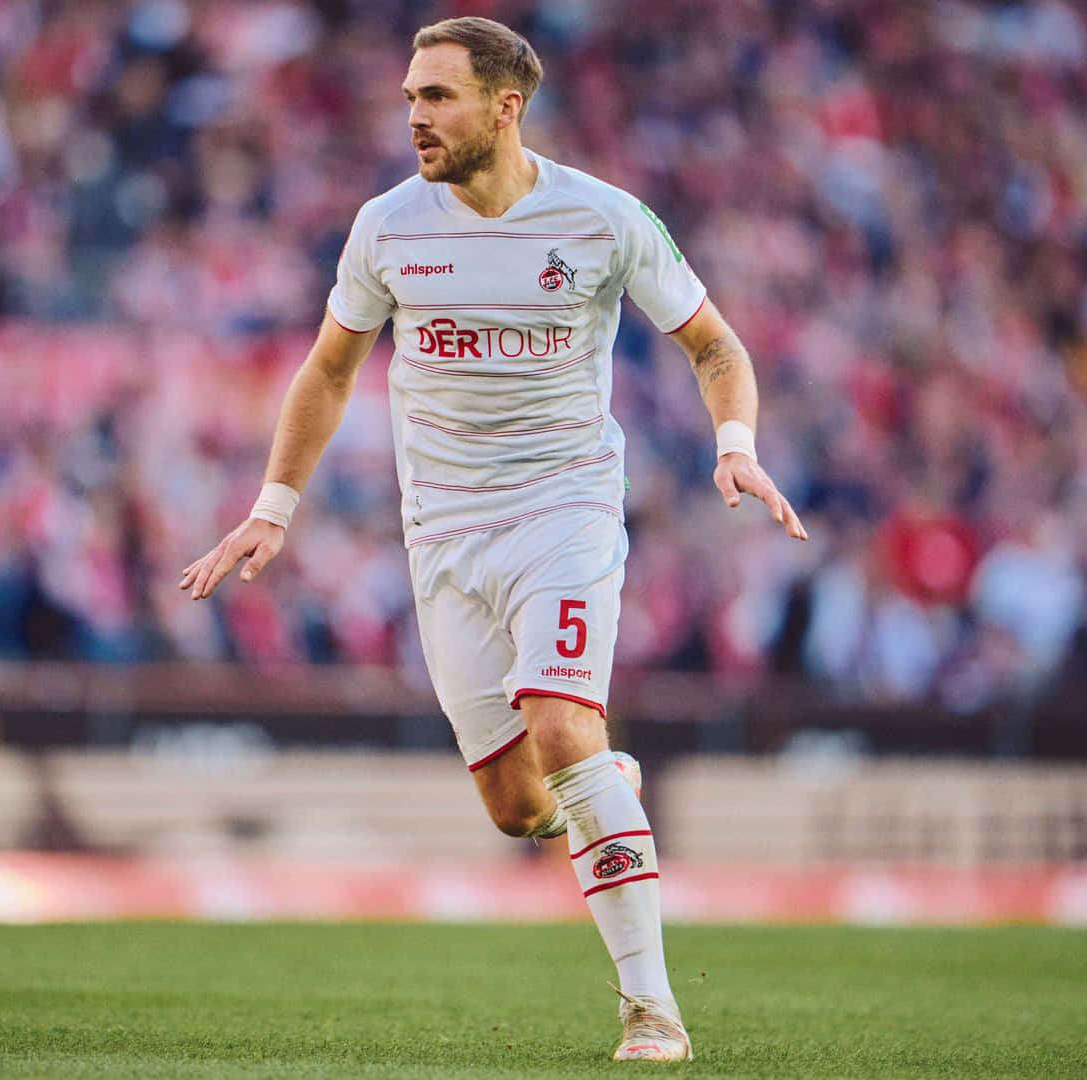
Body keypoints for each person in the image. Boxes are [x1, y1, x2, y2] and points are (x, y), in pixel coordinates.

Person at [179, 16, 805, 1063]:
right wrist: (272, 507)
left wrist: (734, 445)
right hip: (443, 534)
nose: (414, 117)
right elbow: (329, 370)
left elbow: (713, 345)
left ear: (505, 107)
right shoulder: (387, 226)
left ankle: (653, 1009)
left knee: (561, 728)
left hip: (565, 512)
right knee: (518, 809)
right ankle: (600, 787)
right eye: (410, 98)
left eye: (437, 97)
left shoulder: (603, 219)